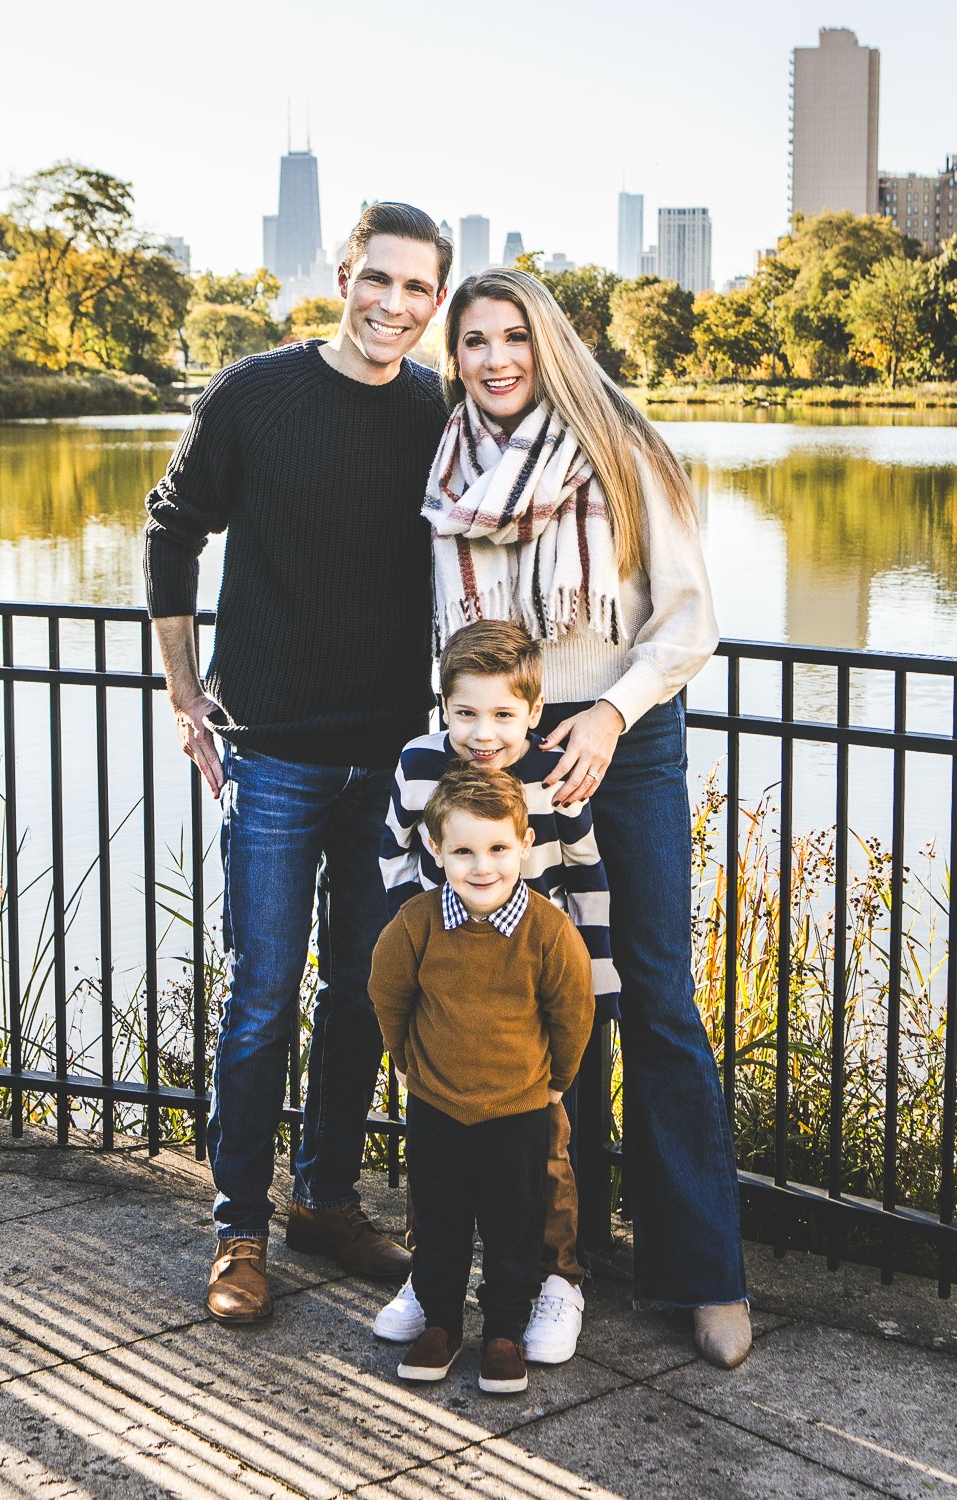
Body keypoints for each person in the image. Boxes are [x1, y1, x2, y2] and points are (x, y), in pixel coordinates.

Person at [421, 268, 752, 1370]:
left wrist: (608, 712)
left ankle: (702, 1272)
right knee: (551, 1006)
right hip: (503, 745)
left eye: (514, 336)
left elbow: (689, 616)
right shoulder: (441, 463)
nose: (496, 357)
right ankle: (565, 1259)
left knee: (655, 995)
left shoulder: (622, 447)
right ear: (453, 353)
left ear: (548, 344)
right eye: (474, 340)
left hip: (625, 732)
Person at [143, 202, 452, 1324]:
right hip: (269, 757)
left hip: (388, 764)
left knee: (364, 995)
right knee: (262, 997)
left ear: (435, 301)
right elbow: (170, 526)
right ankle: (238, 1231)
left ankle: (325, 1201)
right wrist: (184, 692)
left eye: (419, 290)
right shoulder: (252, 394)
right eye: (379, 280)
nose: (395, 306)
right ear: (342, 275)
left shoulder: (435, 407)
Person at [374, 618, 618, 1364]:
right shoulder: (418, 765)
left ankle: (554, 1279)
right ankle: (431, 1281)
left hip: (533, 981)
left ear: (533, 714)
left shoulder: (552, 774)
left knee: (545, 1145)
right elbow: (392, 848)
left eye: (503, 715)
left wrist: (594, 976)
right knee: (436, 1145)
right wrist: (414, 932)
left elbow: (585, 869)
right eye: (466, 714)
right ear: (443, 707)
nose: (484, 733)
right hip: (449, 969)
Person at [368, 766, 595, 1393]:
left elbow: (573, 1009)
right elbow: (388, 994)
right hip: (438, 1104)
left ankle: (503, 1331)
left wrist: (557, 1084)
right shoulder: (417, 923)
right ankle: (440, 1323)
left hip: (519, 1109)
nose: (482, 866)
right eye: (463, 851)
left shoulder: (548, 931)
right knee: (439, 1220)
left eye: (498, 848)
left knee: (514, 1225)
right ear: (435, 850)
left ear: (523, 845)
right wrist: (407, 1062)